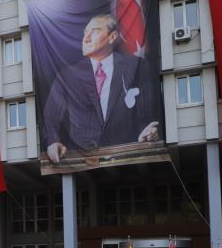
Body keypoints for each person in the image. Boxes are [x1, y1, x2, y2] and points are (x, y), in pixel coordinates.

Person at [43, 13, 159, 163]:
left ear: (112, 37)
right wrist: (52, 141)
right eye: (85, 32)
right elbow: (50, 118)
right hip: (82, 160)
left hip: (128, 157)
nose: (86, 38)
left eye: (95, 31)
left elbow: (148, 116)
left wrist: (150, 131)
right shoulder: (66, 76)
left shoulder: (136, 67)